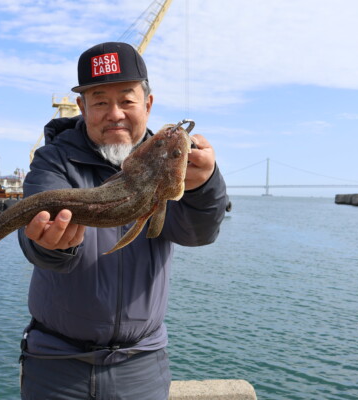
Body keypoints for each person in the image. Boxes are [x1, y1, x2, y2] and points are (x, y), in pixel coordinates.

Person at [17, 42, 228, 400]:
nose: (115, 113)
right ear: (82, 107)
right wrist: (49, 245)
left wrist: (203, 187)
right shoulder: (53, 161)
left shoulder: (171, 162)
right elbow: (36, 237)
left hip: (140, 363)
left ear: (147, 104)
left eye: (127, 100)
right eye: (100, 101)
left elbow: (196, 234)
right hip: (55, 361)